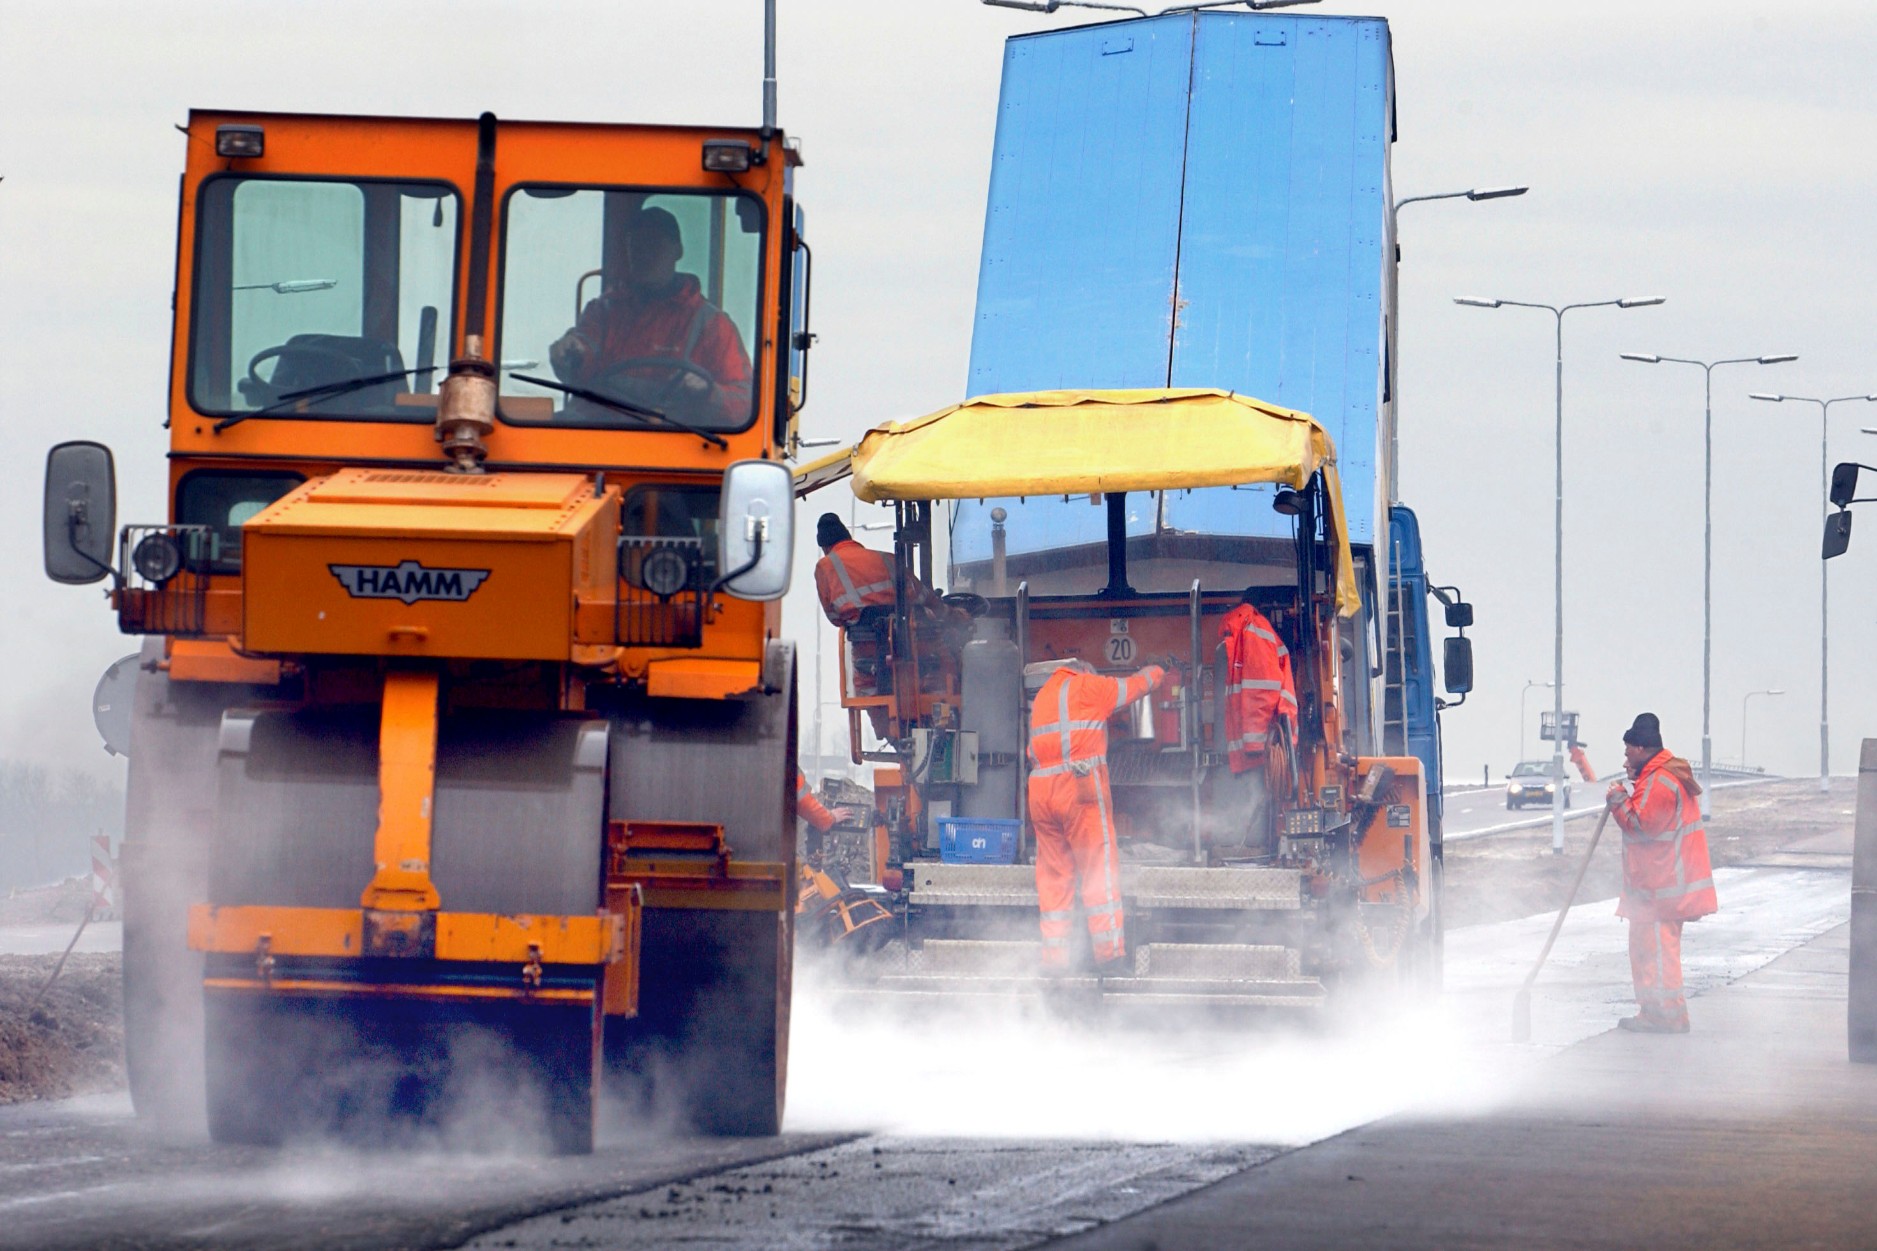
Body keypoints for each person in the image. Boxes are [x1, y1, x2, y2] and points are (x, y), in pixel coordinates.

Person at [1026, 657, 1169, 972]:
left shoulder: (1044, 695)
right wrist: (1157, 670)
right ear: (1086, 670)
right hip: (1078, 789)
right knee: (1098, 872)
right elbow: (1134, 687)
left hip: (1040, 792)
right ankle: (1110, 956)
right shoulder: (1089, 686)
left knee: (1053, 878)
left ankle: (1054, 963)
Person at [548, 206, 752, 425]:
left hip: (671, 443)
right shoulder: (603, 311)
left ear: (678, 251)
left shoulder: (711, 325)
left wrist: (709, 392)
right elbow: (578, 362)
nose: (643, 255)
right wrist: (567, 355)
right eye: (635, 247)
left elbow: (744, 403)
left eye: (654, 246)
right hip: (596, 433)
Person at [1605, 712, 1718, 1034]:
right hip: (1656, 888)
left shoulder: (1659, 782)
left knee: (1656, 955)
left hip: (1661, 888)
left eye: (1628, 752)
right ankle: (1655, 1012)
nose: (1625, 758)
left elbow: (1640, 826)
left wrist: (1617, 799)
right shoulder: (1658, 777)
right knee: (1648, 953)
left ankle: (1666, 1015)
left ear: (1641, 748)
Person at [1214, 590, 1298, 856]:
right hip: (1259, 745)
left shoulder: (1236, 632)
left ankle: (1246, 846)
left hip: (1244, 743)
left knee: (1246, 801)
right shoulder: (1258, 629)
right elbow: (1265, 689)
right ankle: (1255, 848)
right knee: (1256, 801)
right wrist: (1266, 742)